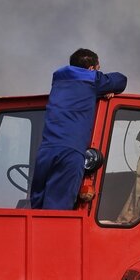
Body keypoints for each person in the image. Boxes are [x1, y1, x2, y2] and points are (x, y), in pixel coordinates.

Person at [30, 49, 127, 209]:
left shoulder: (58, 80)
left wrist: (96, 94)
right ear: (91, 69)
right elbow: (121, 80)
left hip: (45, 152)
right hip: (69, 152)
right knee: (58, 212)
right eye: (98, 68)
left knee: (37, 208)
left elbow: (77, 96)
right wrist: (103, 89)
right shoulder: (91, 79)